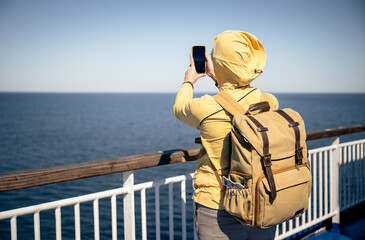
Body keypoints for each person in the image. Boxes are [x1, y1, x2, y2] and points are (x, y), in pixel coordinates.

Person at [173, 30, 278, 240]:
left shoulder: (207, 107)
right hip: (262, 199)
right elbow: (236, 96)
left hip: (218, 205)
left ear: (220, 63)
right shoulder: (269, 101)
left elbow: (179, 108)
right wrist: (220, 76)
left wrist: (189, 81)